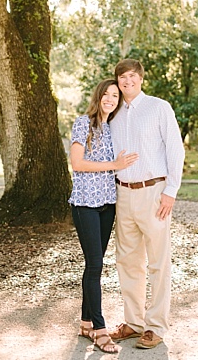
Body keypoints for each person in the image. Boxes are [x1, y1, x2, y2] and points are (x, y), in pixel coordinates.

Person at [108, 59, 185, 350]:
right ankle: (133, 322)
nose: (127, 81)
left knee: (158, 262)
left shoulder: (159, 107)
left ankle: (155, 326)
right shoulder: (113, 113)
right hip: (123, 194)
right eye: (121, 77)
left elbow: (175, 149)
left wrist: (171, 190)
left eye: (131, 76)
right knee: (128, 261)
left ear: (140, 78)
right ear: (116, 82)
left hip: (154, 192)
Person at [70, 78, 139, 354]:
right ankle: (100, 330)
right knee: (95, 265)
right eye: (106, 94)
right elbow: (77, 163)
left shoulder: (113, 128)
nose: (110, 99)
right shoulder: (82, 123)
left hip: (108, 204)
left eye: (115, 95)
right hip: (85, 204)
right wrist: (114, 165)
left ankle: (86, 323)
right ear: (98, 96)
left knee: (94, 265)